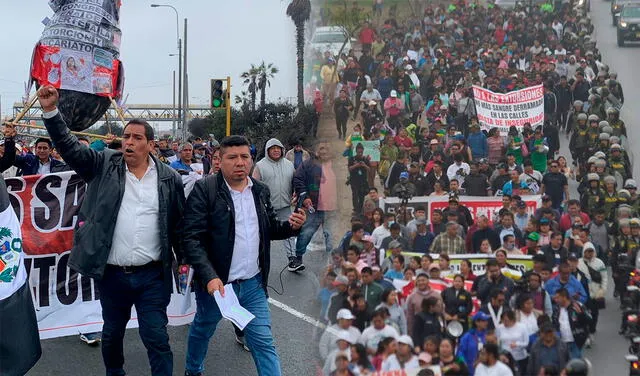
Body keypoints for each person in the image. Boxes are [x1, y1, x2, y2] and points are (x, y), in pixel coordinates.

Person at [38, 85, 185, 376]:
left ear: (151, 146)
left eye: (137, 138)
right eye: (126, 136)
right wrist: (51, 112)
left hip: (152, 277)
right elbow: (69, 147)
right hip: (113, 275)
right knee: (112, 335)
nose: (129, 142)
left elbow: (178, 225)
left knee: (157, 337)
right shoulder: (103, 164)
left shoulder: (170, 179)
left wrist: (188, 260)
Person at [181, 135, 307, 376]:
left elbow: (269, 228)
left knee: (263, 342)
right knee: (202, 329)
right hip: (217, 286)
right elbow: (192, 238)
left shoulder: (260, 191)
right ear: (220, 159)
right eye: (232, 157)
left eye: (244, 157)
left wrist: (292, 226)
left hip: (252, 285)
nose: (239, 162)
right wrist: (208, 276)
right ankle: (193, 369)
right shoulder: (205, 190)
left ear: (251, 160)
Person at [252, 138, 297, 270]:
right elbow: (254, 186)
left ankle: (292, 259)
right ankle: (258, 263)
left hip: (285, 206)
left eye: (278, 148)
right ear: (268, 150)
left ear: (282, 150)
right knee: (263, 235)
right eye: (273, 148)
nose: (276, 150)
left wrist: (296, 193)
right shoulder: (260, 166)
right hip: (265, 209)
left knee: (288, 232)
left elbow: (295, 182)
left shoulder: (289, 164)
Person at [294, 141, 337, 270]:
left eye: (327, 149)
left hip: (332, 208)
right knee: (306, 232)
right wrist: (305, 197)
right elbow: (298, 179)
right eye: (321, 148)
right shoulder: (308, 164)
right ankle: (298, 259)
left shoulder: (337, 165)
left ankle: (332, 262)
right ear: (316, 151)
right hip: (314, 206)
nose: (324, 151)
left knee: (331, 235)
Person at [552, 288, 592, 360]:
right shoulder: (556, 309)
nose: (556, 300)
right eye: (555, 298)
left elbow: (589, 319)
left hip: (575, 342)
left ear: (564, 297)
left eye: (558, 298)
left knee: (573, 365)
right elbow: (554, 323)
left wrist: (581, 313)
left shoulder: (577, 305)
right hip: (562, 343)